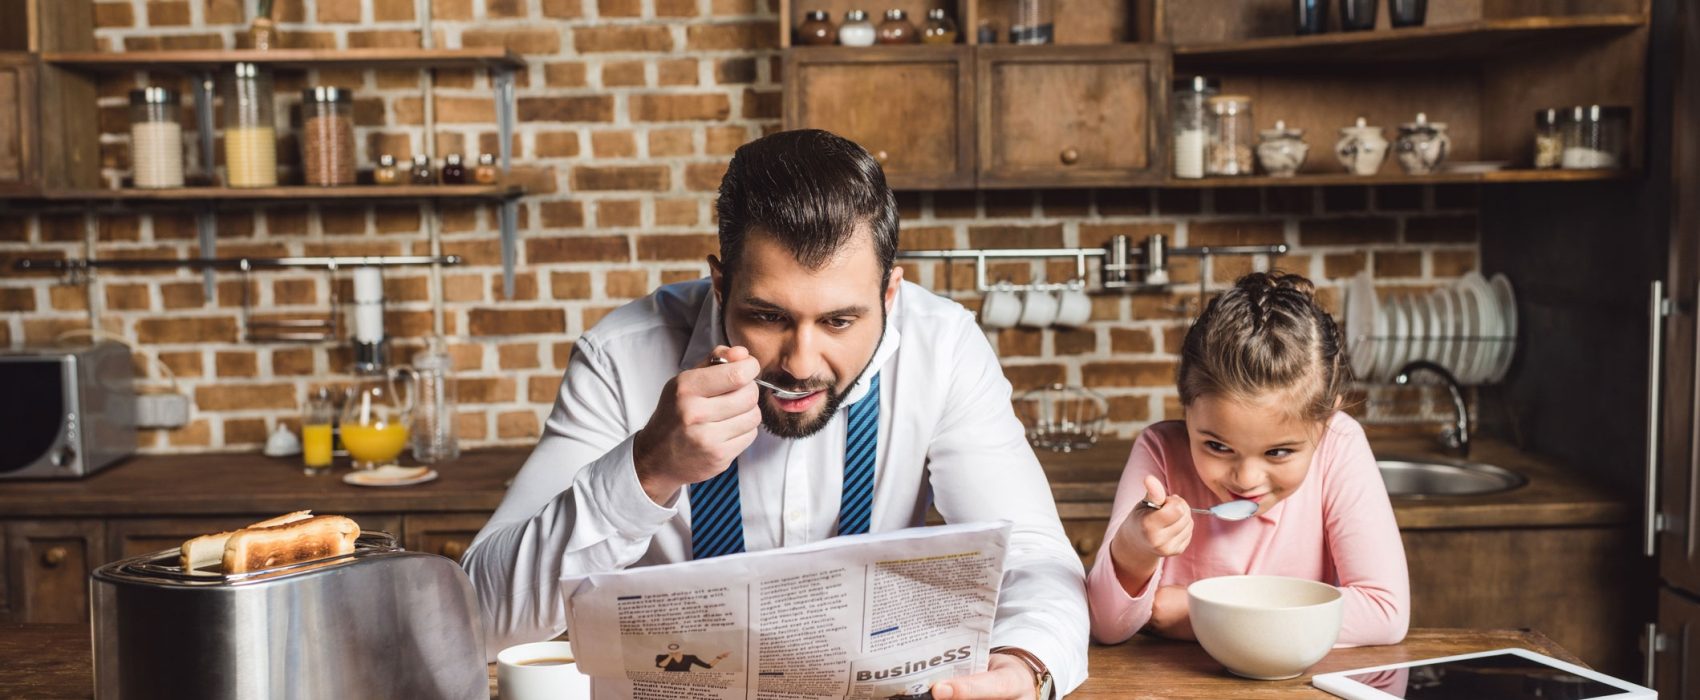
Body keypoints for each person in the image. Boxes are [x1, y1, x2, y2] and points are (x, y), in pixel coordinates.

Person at [461, 129, 1087, 699]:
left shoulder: (943, 346)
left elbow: (1034, 556)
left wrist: (1025, 665)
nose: (800, 362)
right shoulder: (620, 356)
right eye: (768, 316)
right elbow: (481, 616)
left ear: (889, 293)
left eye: (840, 321)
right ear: (720, 283)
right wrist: (646, 469)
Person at [1085, 271, 1409, 646]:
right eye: (1218, 447)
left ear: (1322, 424)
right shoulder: (1159, 451)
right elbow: (1107, 626)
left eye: (1279, 452)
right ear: (1187, 410)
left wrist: (1198, 610)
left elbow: (1385, 612)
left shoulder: (1339, 443)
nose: (1247, 478)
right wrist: (1134, 547)